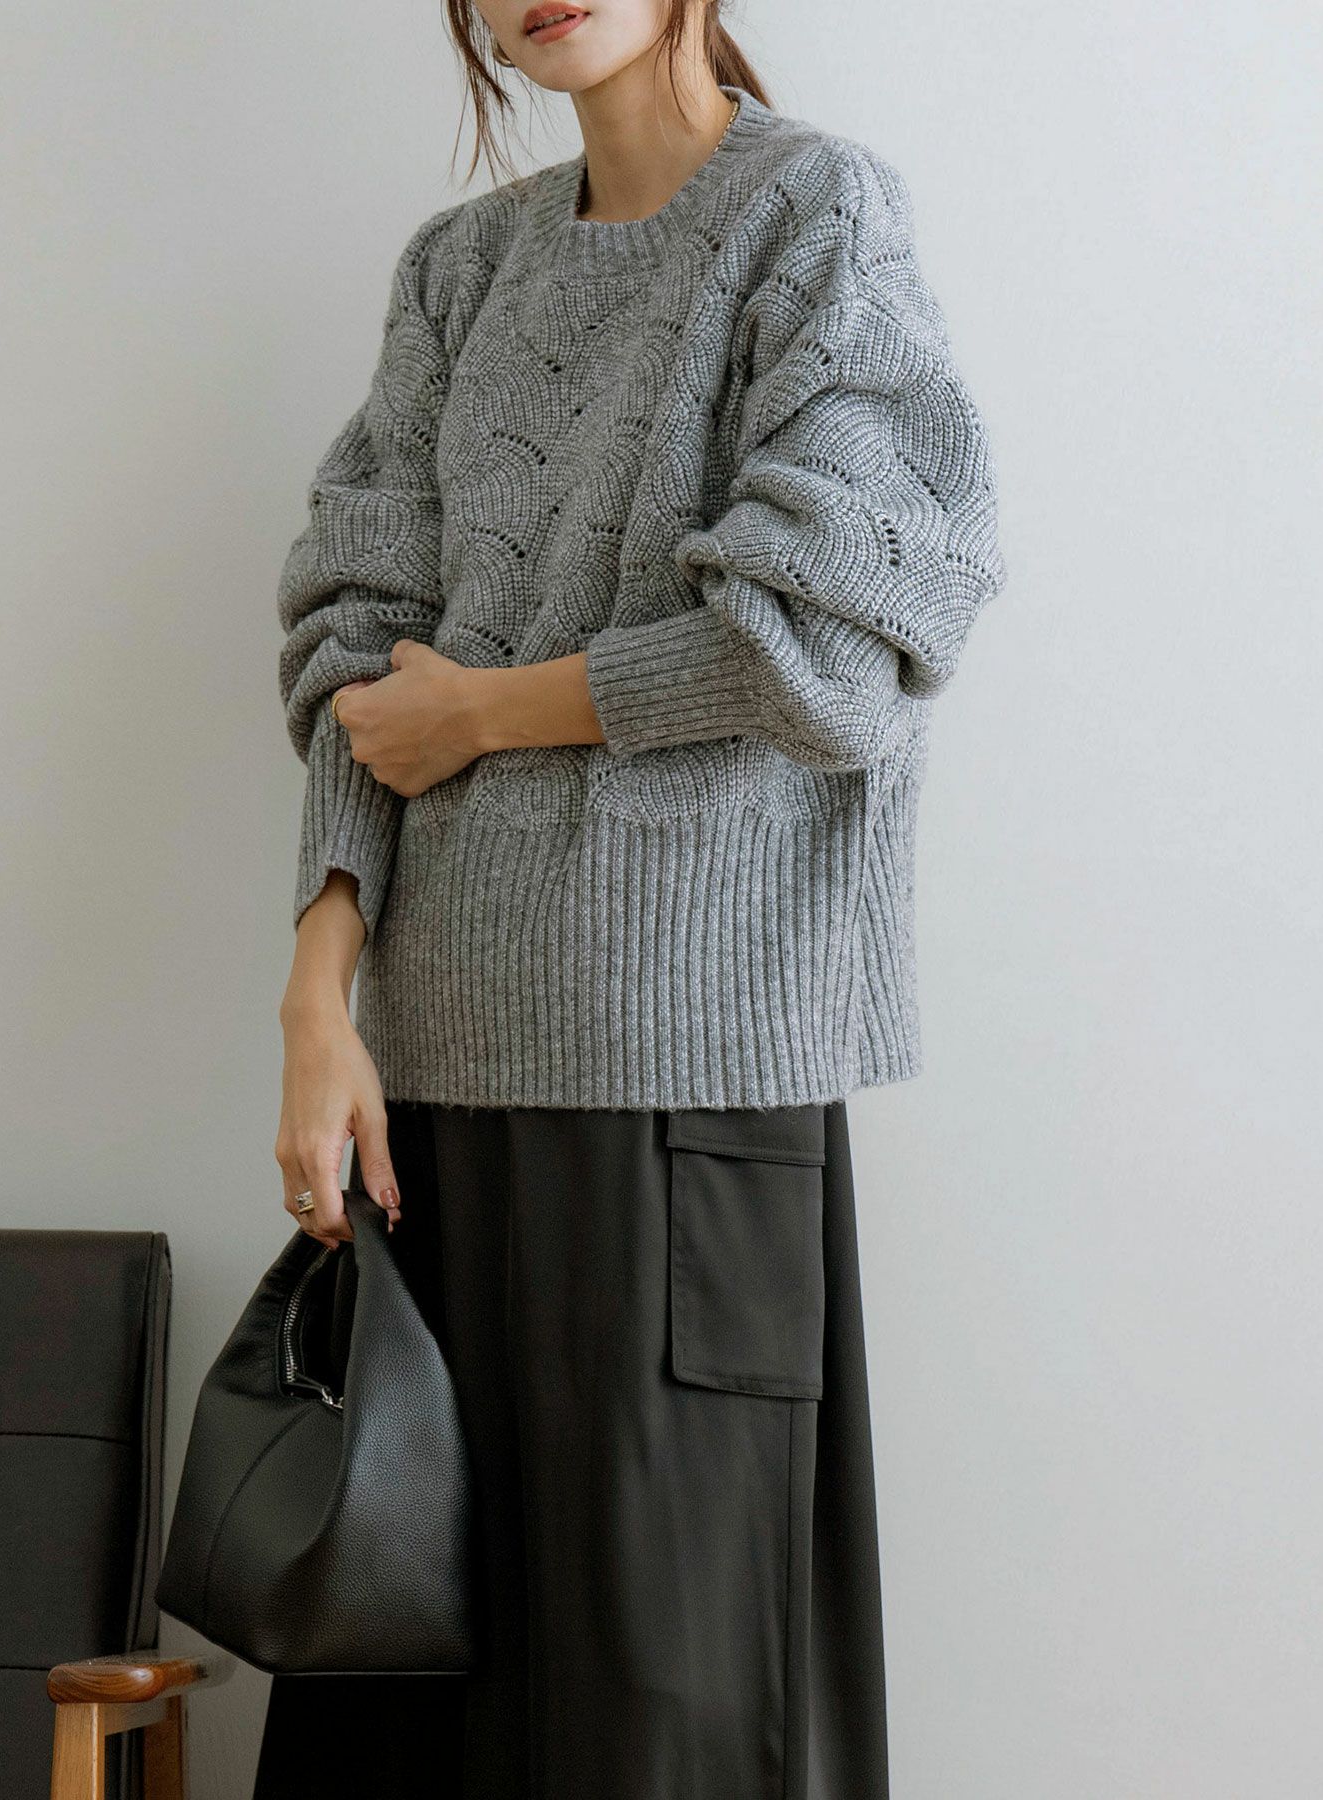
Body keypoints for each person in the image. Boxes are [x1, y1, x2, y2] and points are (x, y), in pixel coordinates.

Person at [258, 3, 1007, 1796]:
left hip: (692, 1097)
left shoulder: (814, 214)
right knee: (414, 1715)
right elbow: (356, 636)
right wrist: (315, 996)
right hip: (437, 1099)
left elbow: (832, 634)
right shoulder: (459, 272)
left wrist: (489, 712)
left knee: (670, 1714)